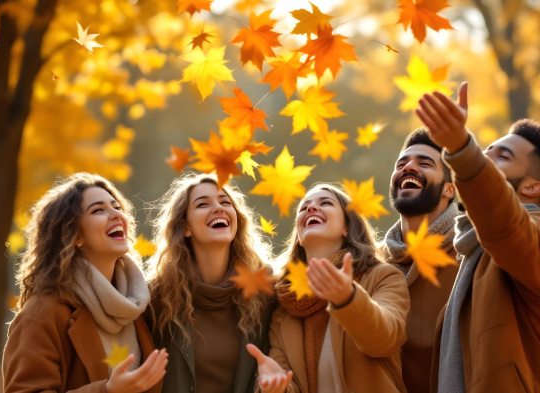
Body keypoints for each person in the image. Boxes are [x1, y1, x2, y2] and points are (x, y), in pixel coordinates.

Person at [416, 83, 540, 392]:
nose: (484, 157)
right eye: (485, 151)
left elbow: (508, 228)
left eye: (502, 157)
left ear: (533, 187)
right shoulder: (472, 253)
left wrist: (461, 149)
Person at [3, 172, 167, 393]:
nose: (116, 215)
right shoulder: (42, 314)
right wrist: (107, 391)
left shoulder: (140, 305)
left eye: (117, 207)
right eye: (98, 210)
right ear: (75, 236)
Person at [247, 183, 410, 393]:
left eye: (326, 203)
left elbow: (385, 341)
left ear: (347, 227)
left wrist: (348, 299)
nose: (311, 208)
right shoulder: (284, 308)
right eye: (304, 207)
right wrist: (277, 389)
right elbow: (288, 383)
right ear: (298, 236)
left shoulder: (383, 276)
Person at [146, 173, 276, 393]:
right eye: (203, 204)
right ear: (185, 227)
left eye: (225, 202)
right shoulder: (157, 297)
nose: (218, 208)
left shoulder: (267, 290)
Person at [381, 127, 460, 393]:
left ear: (449, 189)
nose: (408, 167)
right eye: (401, 164)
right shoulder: (373, 262)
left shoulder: (471, 255)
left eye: (424, 163)